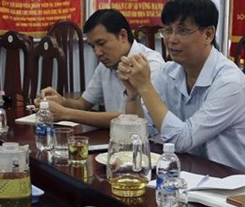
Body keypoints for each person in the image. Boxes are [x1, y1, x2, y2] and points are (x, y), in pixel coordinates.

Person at [118, 0, 245, 178]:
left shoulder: (230, 83)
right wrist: (133, 93)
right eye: (168, 30)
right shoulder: (168, 72)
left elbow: (182, 140)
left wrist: (145, 86)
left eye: (182, 31)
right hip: (196, 176)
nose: (171, 39)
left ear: (208, 34)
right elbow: (140, 133)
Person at [35, 9, 164, 128]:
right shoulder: (105, 65)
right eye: (92, 46)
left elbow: (134, 118)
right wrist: (61, 101)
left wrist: (66, 113)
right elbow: (83, 104)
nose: (97, 53)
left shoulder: (151, 65)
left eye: (101, 43)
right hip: (116, 139)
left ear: (123, 36)